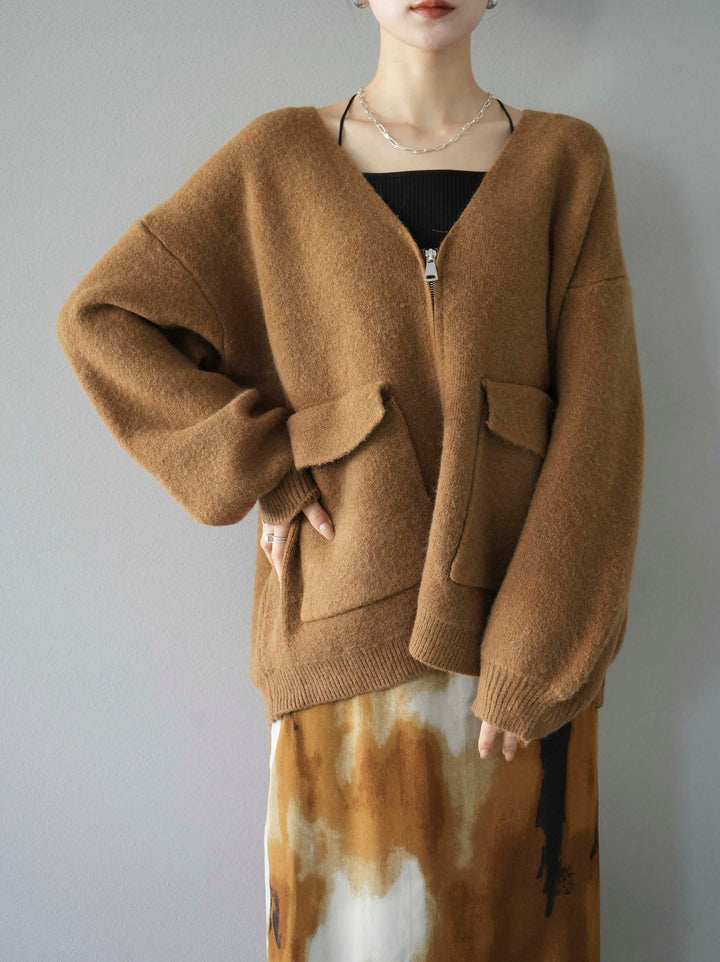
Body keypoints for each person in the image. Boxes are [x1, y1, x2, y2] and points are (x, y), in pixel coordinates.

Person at [56, 1, 645, 959]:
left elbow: (602, 426)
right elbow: (104, 319)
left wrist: (540, 653)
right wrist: (269, 462)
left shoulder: (565, 164)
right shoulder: (275, 160)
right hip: (340, 667)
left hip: (522, 669)